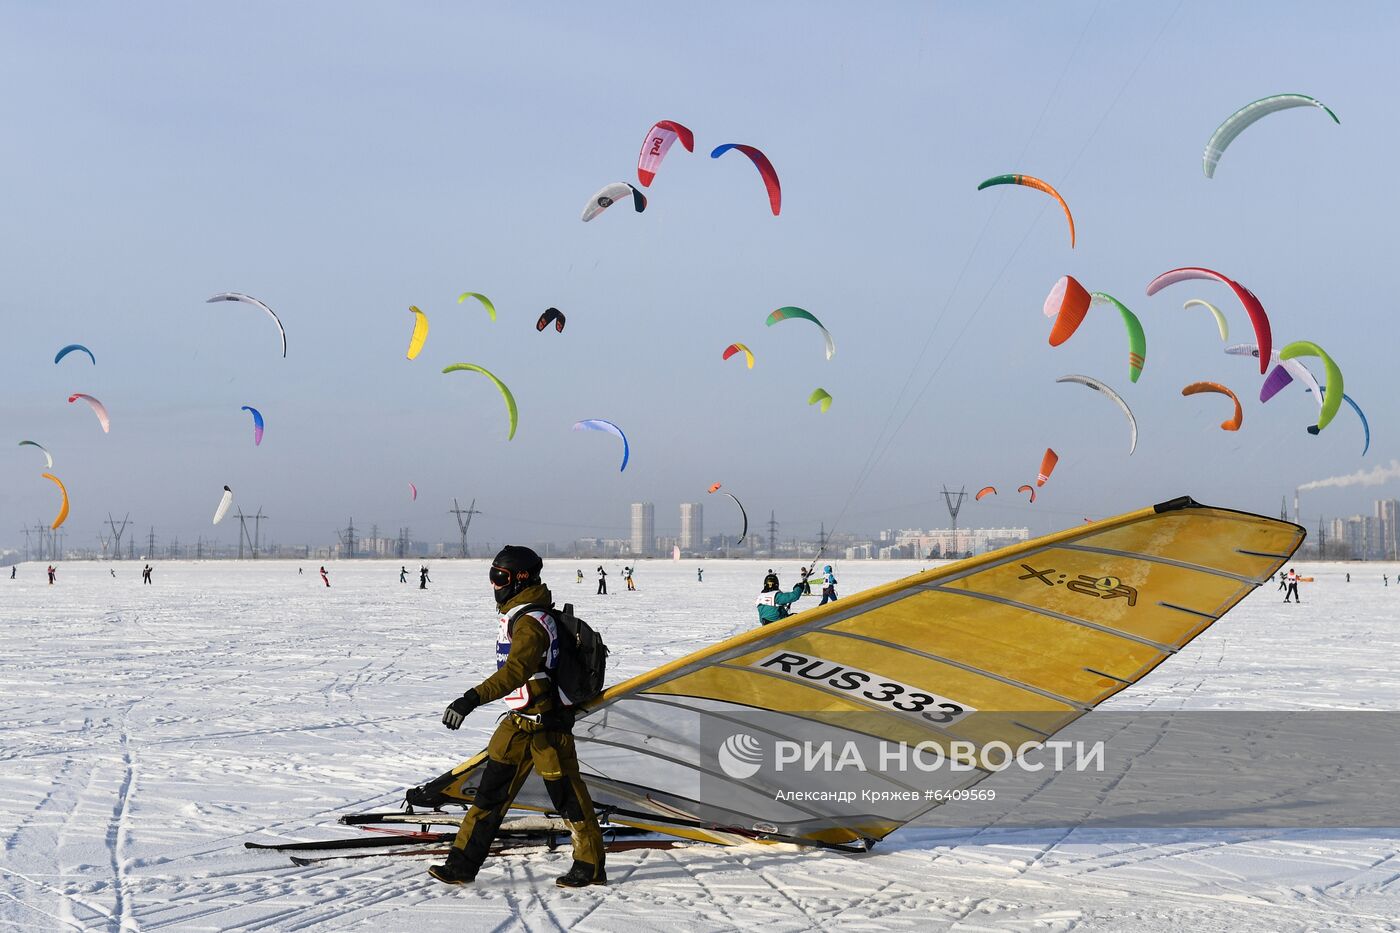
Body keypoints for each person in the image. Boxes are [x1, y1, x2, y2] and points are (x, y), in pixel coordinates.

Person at [431, 545, 606, 888]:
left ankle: (590, 865)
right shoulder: (518, 615)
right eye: (492, 577)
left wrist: (470, 699)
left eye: (500, 577)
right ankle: (462, 864)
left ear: (520, 579)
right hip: (517, 724)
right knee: (490, 794)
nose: (494, 585)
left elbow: (515, 672)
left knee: (568, 798)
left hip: (547, 729)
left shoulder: (531, 623)